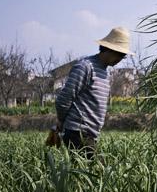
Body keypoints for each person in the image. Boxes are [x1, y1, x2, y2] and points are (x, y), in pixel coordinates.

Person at [55, 27, 132, 159]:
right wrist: (62, 121)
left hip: (90, 134)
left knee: (85, 175)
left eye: (123, 56)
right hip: (77, 132)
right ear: (108, 49)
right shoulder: (85, 67)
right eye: (119, 55)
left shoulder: (104, 72)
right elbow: (64, 98)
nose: (119, 59)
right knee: (99, 172)